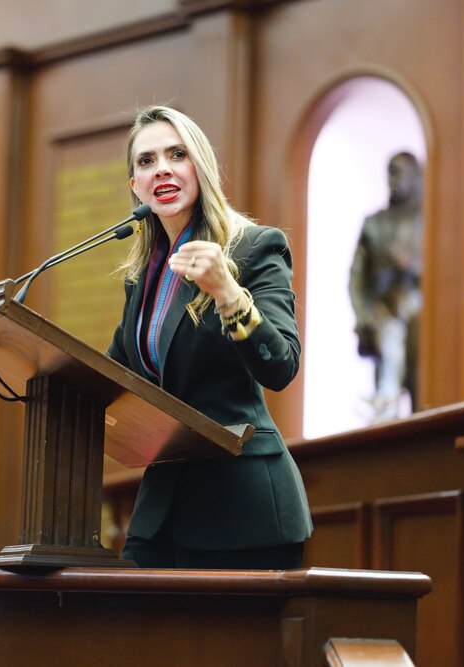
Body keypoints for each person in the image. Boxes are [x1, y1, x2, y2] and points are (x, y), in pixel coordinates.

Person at [107, 105, 312, 569]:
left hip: (243, 509)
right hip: (162, 510)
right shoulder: (142, 276)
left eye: (176, 154)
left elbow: (280, 367)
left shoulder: (256, 247)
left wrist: (227, 292)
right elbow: (112, 373)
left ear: (200, 167)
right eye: (146, 161)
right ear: (135, 186)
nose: (161, 168)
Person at [349, 152, 423, 421]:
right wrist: (364, 318)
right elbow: (356, 279)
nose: (393, 179)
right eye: (390, 172)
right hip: (382, 314)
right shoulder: (374, 225)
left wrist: (409, 266)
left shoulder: (429, 220)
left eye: (399, 172)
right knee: (389, 373)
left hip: (417, 316)